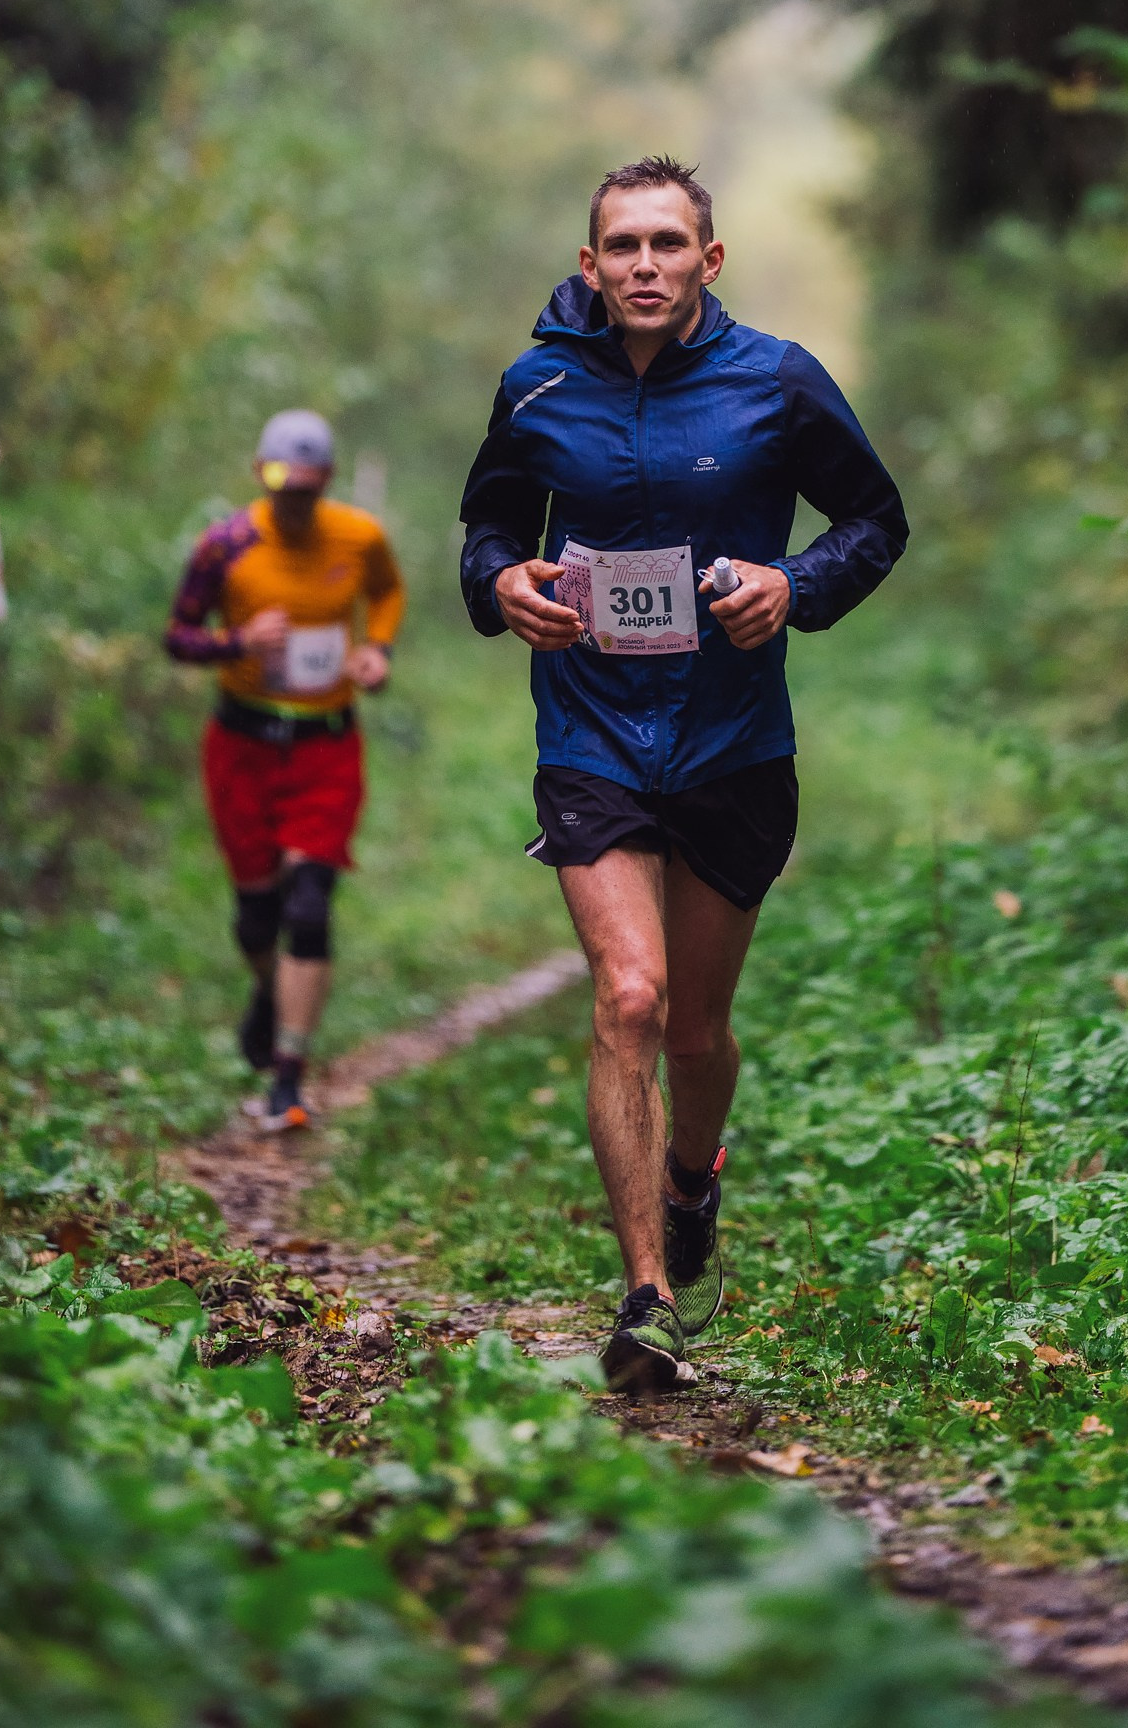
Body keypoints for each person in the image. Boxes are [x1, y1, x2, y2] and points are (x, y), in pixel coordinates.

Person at [459, 154, 908, 1394]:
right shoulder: (538, 385)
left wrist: (795, 587)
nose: (644, 266)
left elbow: (876, 520)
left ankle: (692, 1176)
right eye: (622, 247)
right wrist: (500, 585)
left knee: (700, 1031)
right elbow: (488, 529)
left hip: (731, 744)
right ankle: (646, 1297)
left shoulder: (776, 381)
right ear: (591, 264)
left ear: (708, 262)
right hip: (593, 732)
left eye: (667, 245)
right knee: (631, 999)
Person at [164, 409, 404, 1130]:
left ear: (325, 481)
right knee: (256, 915)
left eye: (306, 485)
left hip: (326, 745)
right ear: (258, 474)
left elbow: (386, 594)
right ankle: (268, 990)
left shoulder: (358, 536)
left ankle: (288, 1075)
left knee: (308, 906)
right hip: (241, 745)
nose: (292, 497)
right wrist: (235, 642)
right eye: (278, 482)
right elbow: (178, 635)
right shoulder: (226, 544)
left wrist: (377, 652)